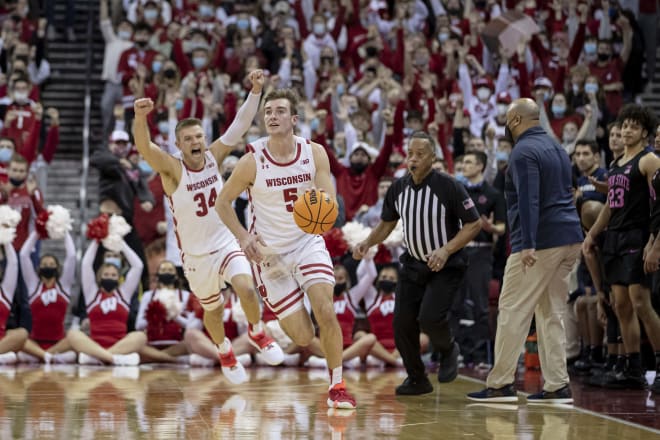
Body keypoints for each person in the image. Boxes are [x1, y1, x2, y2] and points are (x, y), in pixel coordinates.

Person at [132, 70, 284, 385]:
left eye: (199, 136)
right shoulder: (172, 170)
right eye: (188, 139)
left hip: (226, 242)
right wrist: (140, 117)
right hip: (196, 256)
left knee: (245, 287)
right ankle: (224, 350)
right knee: (212, 312)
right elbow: (145, 148)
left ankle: (257, 332)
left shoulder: (214, 156)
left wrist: (255, 90)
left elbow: (240, 125)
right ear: (178, 144)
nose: (196, 142)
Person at [215, 88, 357, 409]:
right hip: (268, 256)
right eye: (268, 112)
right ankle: (272, 321)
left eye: (279, 111)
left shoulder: (314, 153)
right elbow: (222, 203)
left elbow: (329, 199)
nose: (272, 117)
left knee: (325, 308)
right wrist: (242, 236)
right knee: (304, 338)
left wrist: (324, 209)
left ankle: (337, 386)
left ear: (293, 119)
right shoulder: (252, 160)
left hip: (306, 242)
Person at [467, 98, 583, 404]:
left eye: (507, 120)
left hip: (539, 241)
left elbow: (530, 199)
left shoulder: (523, 151)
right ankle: (558, 384)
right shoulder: (557, 147)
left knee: (512, 309)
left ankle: (501, 384)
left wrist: (528, 242)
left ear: (516, 120)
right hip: (570, 236)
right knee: (550, 311)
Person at [353, 131, 482, 396]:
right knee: (402, 323)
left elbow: (474, 223)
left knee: (430, 318)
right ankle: (417, 378)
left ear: (432, 157)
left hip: (446, 265)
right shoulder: (399, 188)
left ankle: (448, 350)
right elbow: (387, 223)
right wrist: (368, 242)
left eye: (420, 154)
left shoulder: (449, 186)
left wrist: (446, 250)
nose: (413, 159)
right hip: (413, 265)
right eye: (410, 154)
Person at [584, 104, 660, 391]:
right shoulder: (616, 163)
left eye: (632, 126)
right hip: (615, 237)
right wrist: (592, 234)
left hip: (637, 235)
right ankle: (632, 368)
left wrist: (653, 243)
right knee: (621, 305)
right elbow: (610, 208)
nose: (626, 130)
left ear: (644, 131)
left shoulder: (649, 160)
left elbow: (659, 204)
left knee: (641, 302)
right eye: (623, 125)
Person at [453, 150, 506, 369]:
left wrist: (490, 227)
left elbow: (502, 228)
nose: (464, 166)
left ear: (480, 166)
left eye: (468, 162)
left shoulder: (493, 194)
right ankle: (455, 353)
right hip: (458, 249)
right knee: (454, 303)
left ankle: (481, 355)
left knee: (480, 305)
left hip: (482, 251)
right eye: (463, 162)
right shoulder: (457, 190)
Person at [66, 237, 146, 366]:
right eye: (106, 275)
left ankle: (100, 358)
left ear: (119, 277)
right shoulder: (92, 294)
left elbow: (138, 266)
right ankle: (114, 359)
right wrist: (97, 239)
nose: (110, 277)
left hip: (121, 344)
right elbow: (86, 264)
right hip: (95, 344)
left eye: (113, 275)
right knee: (72, 334)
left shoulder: (123, 294)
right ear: (99, 277)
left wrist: (121, 243)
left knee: (140, 336)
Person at [16, 230, 77, 364]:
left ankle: (44, 356)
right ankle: (48, 356)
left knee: (74, 344)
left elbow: (72, 256)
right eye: (44, 265)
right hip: (35, 343)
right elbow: (24, 255)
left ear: (57, 268)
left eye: (51, 265)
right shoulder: (34, 286)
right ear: (39, 268)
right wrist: (37, 231)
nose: (48, 267)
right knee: (19, 342)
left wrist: (64, 230)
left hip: (59, 343)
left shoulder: (64, 286)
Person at [0, 240, 26, 364]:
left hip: (2, 341)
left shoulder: (5, 292)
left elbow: (13, 263)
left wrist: (5, 238)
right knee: (11, 357)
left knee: (21, 334)